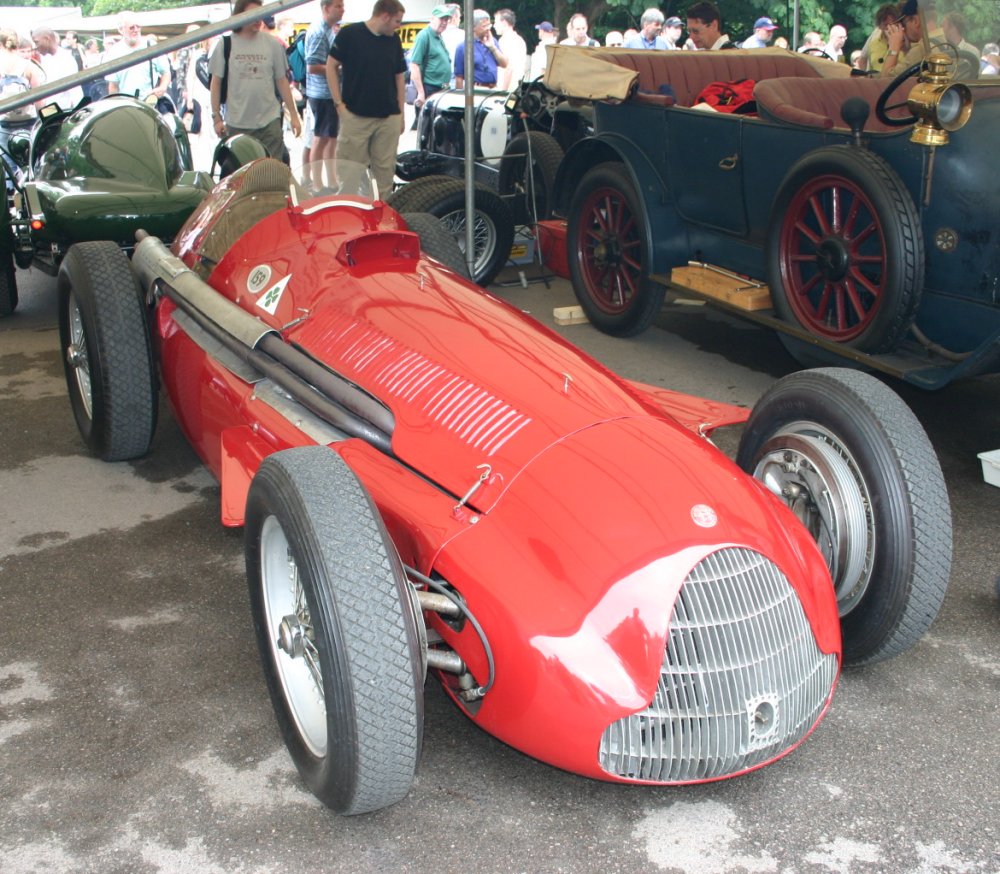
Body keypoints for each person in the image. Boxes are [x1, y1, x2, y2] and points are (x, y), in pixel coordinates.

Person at [326, 0, 407, 197]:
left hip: (388, 117)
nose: (399, 26)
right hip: (355, 115)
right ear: (385, 16)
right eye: (397, 21)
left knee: (384, 176)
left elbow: (399, 76)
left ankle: (381, 219)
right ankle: (348, 220)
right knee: (350, 176)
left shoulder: (393, 39)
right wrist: (339, 104)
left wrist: (401, 113)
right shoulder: (349, 34)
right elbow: (330, 66)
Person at [210, 0, 302, 161]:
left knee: (271, 173)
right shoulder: (225, 45)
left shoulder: (272, 44)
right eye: (253, 15)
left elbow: (282, 81)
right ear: (240, 16)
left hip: (269, 122)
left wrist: (294, 115)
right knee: (241, 177)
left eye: (260, 14)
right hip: (237, 123)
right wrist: (216, 118)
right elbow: (216, 83)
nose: (258, 19)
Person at [305, 0, 345, 185]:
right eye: (338, 6)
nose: (342, 10)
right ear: (326, 8)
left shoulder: (328, 29)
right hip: (321, 94)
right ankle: (318, 184)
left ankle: (331, 181)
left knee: (331, 138)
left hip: (328, 93)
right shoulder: (319, 32)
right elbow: (312, 66)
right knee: (321, 138)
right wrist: (337, 69)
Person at [103, 14, 171, 107]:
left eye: (138, 26)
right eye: (131, 28)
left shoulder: (151, 46)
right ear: (121, 30)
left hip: (151, 104)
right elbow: (113, 85)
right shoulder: (114, 52)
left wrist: (163, 87)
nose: (136, 30)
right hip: (127, 106)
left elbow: (166, 72)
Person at [409, 5, 451, 125]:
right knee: (427, 129)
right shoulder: (424, 36)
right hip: (429, 89)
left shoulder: (439, 37)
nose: (444, 22)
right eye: (441, 19)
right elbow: (414, 65)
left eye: (446, 19)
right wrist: (421, 93)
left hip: (441, 88)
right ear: (432, 18)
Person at [31, 27, 84, 110]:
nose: (36, 46)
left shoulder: (66, 59)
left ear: (46, 39)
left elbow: (75, 89)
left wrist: (79, 111)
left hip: (62, 110)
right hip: (47, 109)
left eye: (37, 42)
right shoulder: (44, 58)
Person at [453, 9, 507, 89]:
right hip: (475, 90)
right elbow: (459, 77)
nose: (488, 29)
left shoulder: (492, 41)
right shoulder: (462, 47)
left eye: (489, 25)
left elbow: (504, 64)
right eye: (484, 26)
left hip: (493, 89)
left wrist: (493, 48)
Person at [0, 28, 43, 120]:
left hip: (3, 123)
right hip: (28, 121)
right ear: (17, 43)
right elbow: (39, 98)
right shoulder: (29, 66)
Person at [881, 0, 923, 77]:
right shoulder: (945, 39)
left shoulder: (920, 50)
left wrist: (894, 47)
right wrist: (906, 50)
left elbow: (886, 80)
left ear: (915, 21)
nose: (903, 31)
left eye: (903, 24)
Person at [858, 4, 899, 72]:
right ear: (879, 26)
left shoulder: (906, 45)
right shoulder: (873, 44)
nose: (889, 28)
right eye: (886, 25)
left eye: (892, 24)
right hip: (875, 81)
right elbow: (862, 60)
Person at [494, 9, 526, 90]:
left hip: (507, 90)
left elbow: (509, 68)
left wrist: (503, 91)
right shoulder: (519, 39)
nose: (494, 26)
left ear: (504, 23)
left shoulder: (507, 41)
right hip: (516, 89)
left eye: (496, 22)